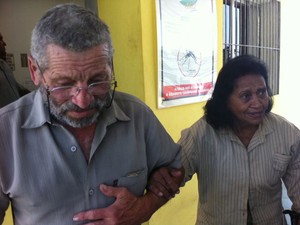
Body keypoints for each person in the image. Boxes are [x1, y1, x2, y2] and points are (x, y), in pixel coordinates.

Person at [0, 3, 184, 225]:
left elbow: (175, 171)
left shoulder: (138, 116)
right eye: (64, 84)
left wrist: (144, 207)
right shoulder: (4, 131)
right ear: (34, 70)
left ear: (111, 66)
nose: (83, 100)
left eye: (97, 80)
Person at [149, 55, 300, 225]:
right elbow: (171, 177)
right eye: (245, 96)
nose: (258, 103)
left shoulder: (287, 134)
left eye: (261, 92)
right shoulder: (201, 135)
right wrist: (158, 178)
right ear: (225, 101)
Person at [0, 32, 30, 107]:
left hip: (16, 114)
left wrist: (39, 94)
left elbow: (16, 87)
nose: (4, 43)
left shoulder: (4, 65)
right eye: (0, 39)